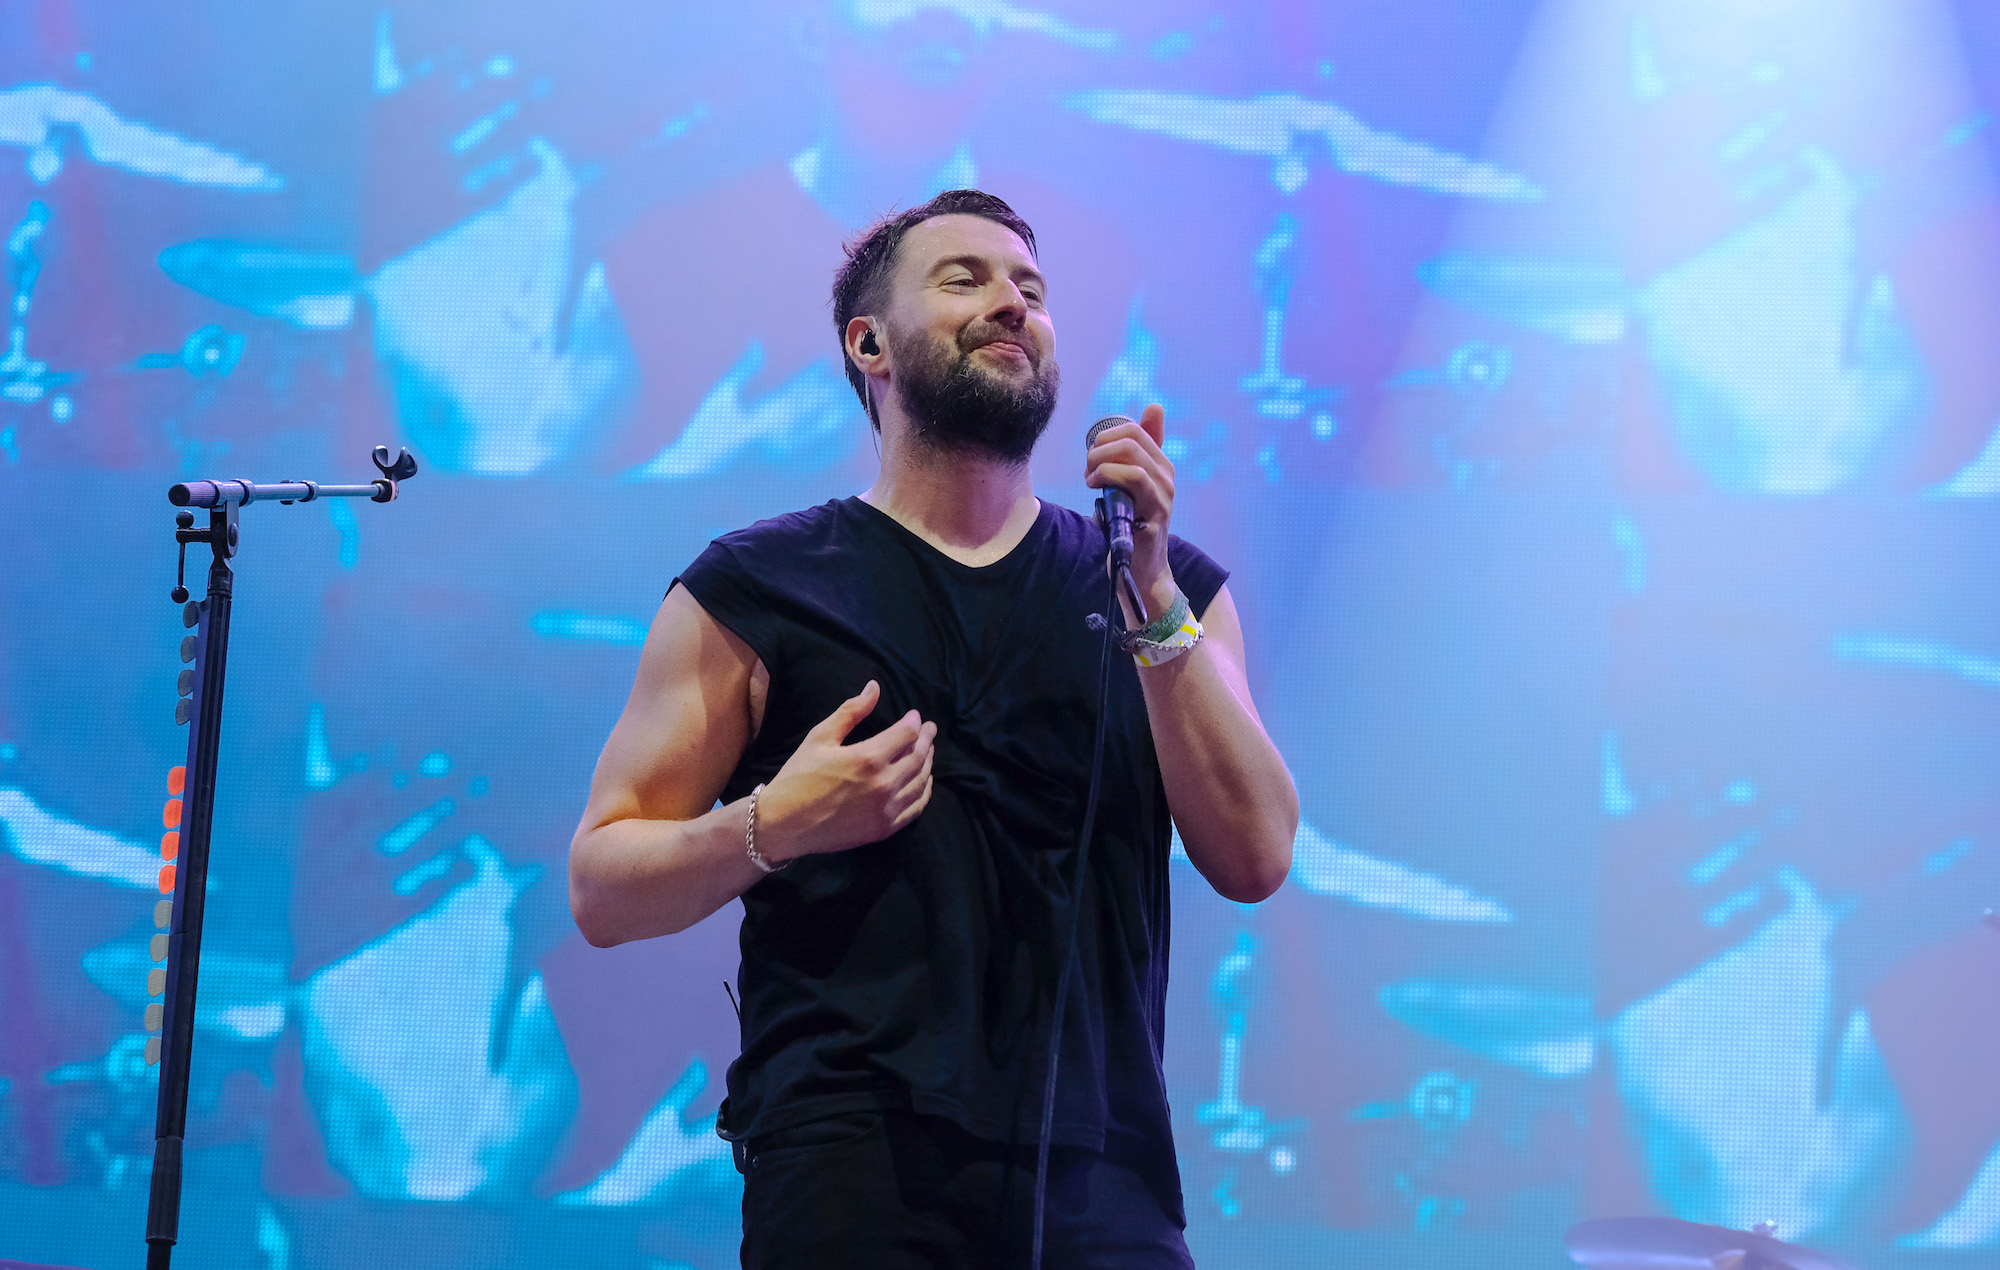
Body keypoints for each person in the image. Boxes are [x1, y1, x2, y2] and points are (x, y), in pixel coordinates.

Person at [568, 188, 1298, 1268]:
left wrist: (1150, 598)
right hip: (849, 1169)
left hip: (1102, 1178)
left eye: (1031, 290)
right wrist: (772, 823)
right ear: (869, 343)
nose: (1011, 303)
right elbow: (601, 886)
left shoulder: (1168, 589)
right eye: (965, 278)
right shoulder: (758, 588)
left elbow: (1254, 854)